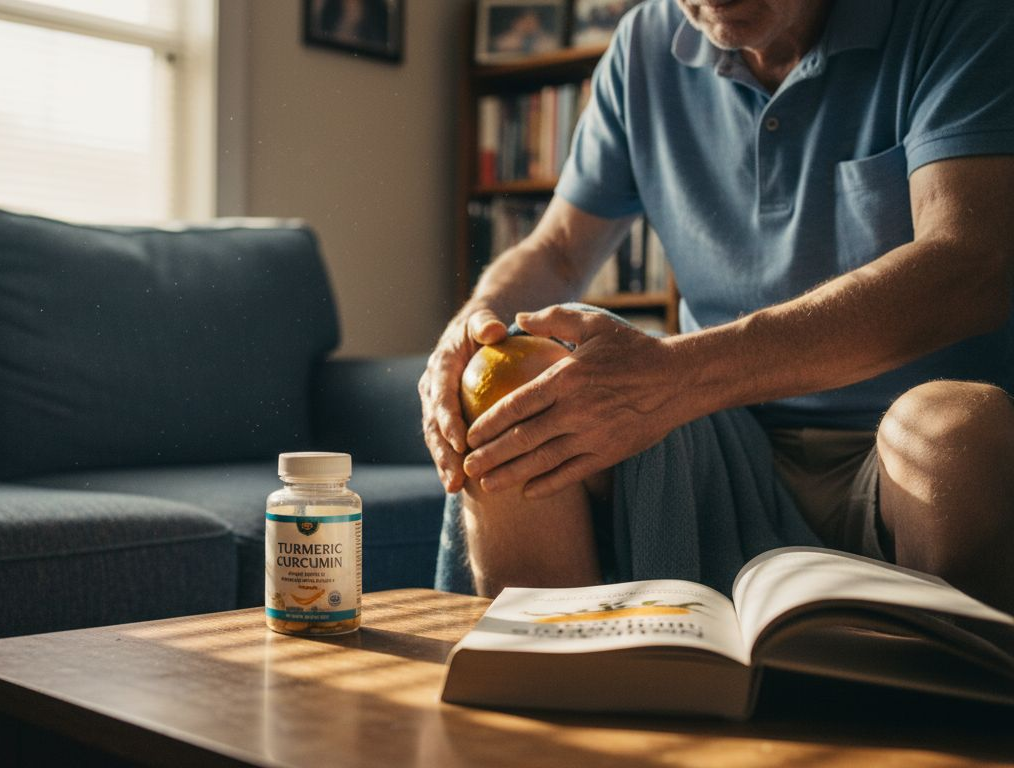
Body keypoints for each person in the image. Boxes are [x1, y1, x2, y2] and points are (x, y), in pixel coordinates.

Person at [421, 0, 1014, 613]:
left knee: (957, 434)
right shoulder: (642, 44)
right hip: (723, 435)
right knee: (502, 387)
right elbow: (561, 249)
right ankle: (546, 686)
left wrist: (676, 375)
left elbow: (968, 266)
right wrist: (470, 328)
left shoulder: (958, 16)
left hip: (890, 445)